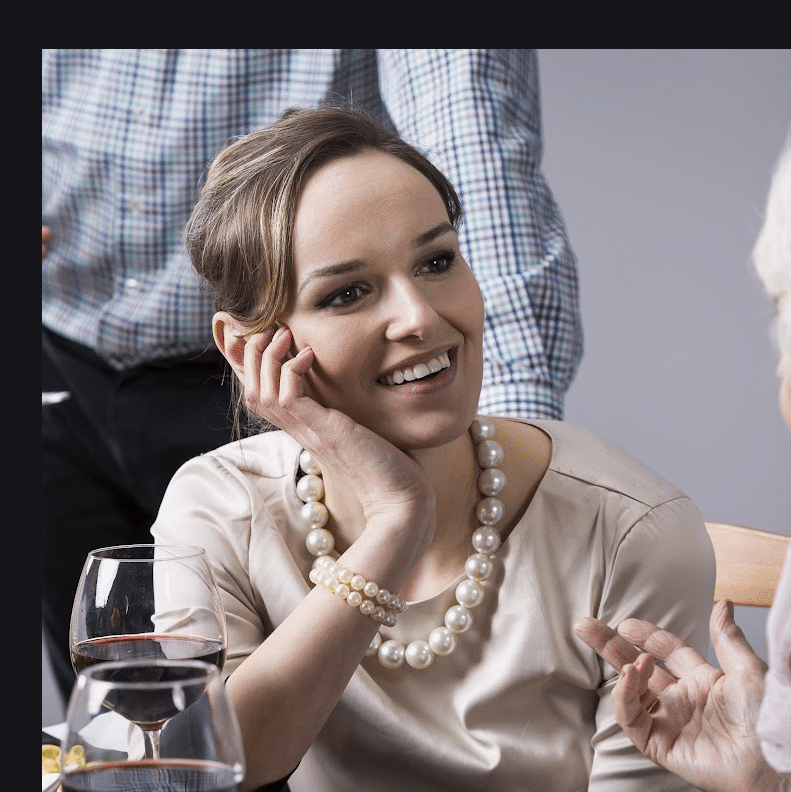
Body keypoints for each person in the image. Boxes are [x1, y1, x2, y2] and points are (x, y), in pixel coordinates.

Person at [108, 101, 763, 792]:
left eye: (436, 259)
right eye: (347, 293)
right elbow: (194, 783)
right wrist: (394, 525)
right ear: (250, 349)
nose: (422, 317)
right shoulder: (217, 503)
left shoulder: (633, 533)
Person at [42, 49, 583, 709]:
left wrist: (515, 502)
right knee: (116, 738)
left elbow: (479, 162)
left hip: (283, 388)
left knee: (320, 755)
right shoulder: (205, 499)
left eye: (441, 261)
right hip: (53, 359)